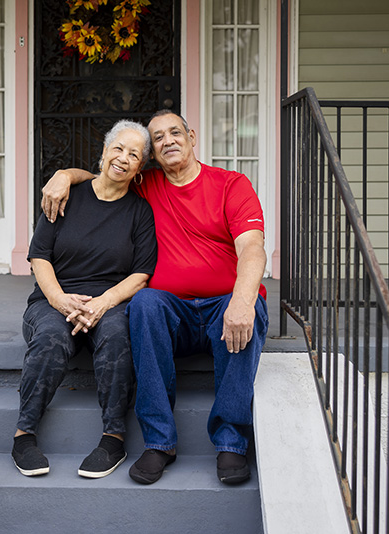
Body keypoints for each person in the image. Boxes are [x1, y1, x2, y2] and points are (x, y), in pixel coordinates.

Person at [41, 110, 268, 485]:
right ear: (151, 156)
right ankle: (159, 442)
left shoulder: (231, 184)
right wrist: (64, 175)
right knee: (144, 304)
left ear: (191, 137)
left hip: (222, 306)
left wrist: (241, 300)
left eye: (175, 132)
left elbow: (252, 248)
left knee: (251, 306)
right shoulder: (146, 184)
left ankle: (231, 443)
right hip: (172, 311)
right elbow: (103, 177)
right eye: (158, 138)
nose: (168, 141)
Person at [13, 120, 157, 479]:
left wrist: (101, 303)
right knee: (50, 336)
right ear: (104, 151)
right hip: (54, 298)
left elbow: (141, 274)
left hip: (109, 302)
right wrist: (60, 300)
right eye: (118, 148)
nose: (123, 158)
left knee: (117, 335)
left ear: (140, 168)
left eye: (134, 155)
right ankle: (24, 435)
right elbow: (39, 257)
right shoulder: (65, 196)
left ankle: (113, 439)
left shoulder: (140, 212)